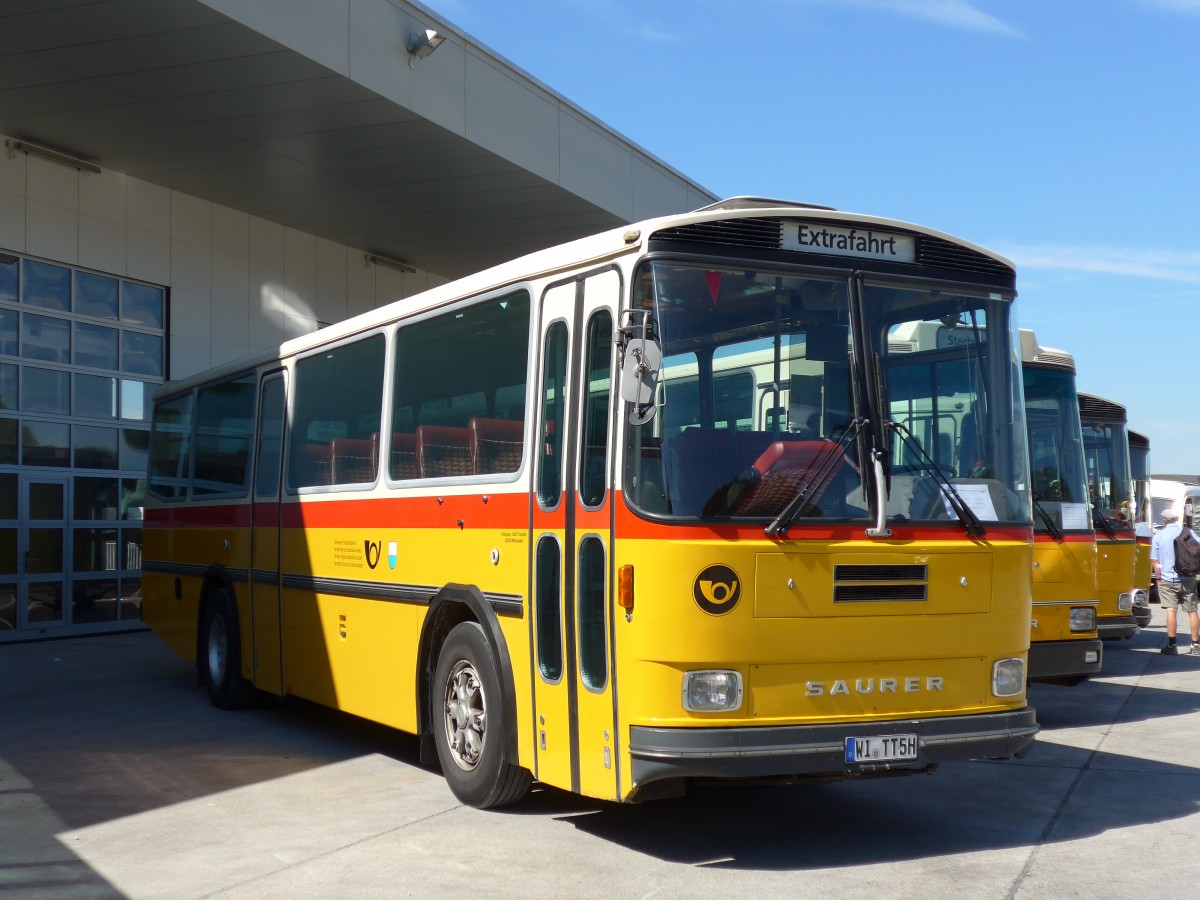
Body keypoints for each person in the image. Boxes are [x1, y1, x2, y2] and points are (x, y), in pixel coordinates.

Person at [1149, 508, 1200, 655]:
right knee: (1192, 611)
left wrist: (1158, 578)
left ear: (1164, 520)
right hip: (1187, 577)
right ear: (1177, 519)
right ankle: (1195, 645)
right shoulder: (1188, 532)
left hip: (1167, 578)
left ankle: (1172, 645)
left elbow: (1155, 561)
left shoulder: (1159, 536)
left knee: (1171, 611)